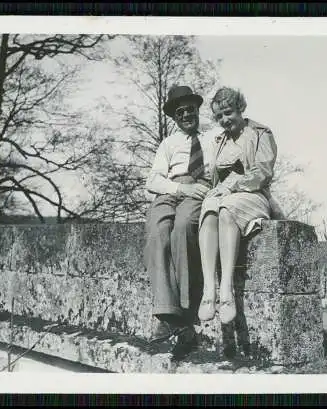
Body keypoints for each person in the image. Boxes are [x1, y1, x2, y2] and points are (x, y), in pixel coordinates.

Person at [197, 86, 284, 324]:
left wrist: (231, 187)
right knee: (209, 210)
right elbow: (212, 177)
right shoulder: (219, 141)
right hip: (223, 194)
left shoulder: (260, 133)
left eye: (228, 113)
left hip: (253, 195)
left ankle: (226, 292)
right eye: (219, 116)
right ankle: (208, 292)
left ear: (240, 108)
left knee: (227, 210)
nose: (224, 120)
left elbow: (263, 171)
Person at [144, 85, 213, 359]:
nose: (186, 114)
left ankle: (183, 310)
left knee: (184, 226)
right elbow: (153, 181)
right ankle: (168, 314)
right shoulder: (168, 144)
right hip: (171, 190)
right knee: (158, 231)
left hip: (199, 188)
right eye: (180, 111)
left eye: (190, 109)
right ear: (174, 116)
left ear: (198, 109)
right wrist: (179, 189)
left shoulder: (212, 139)